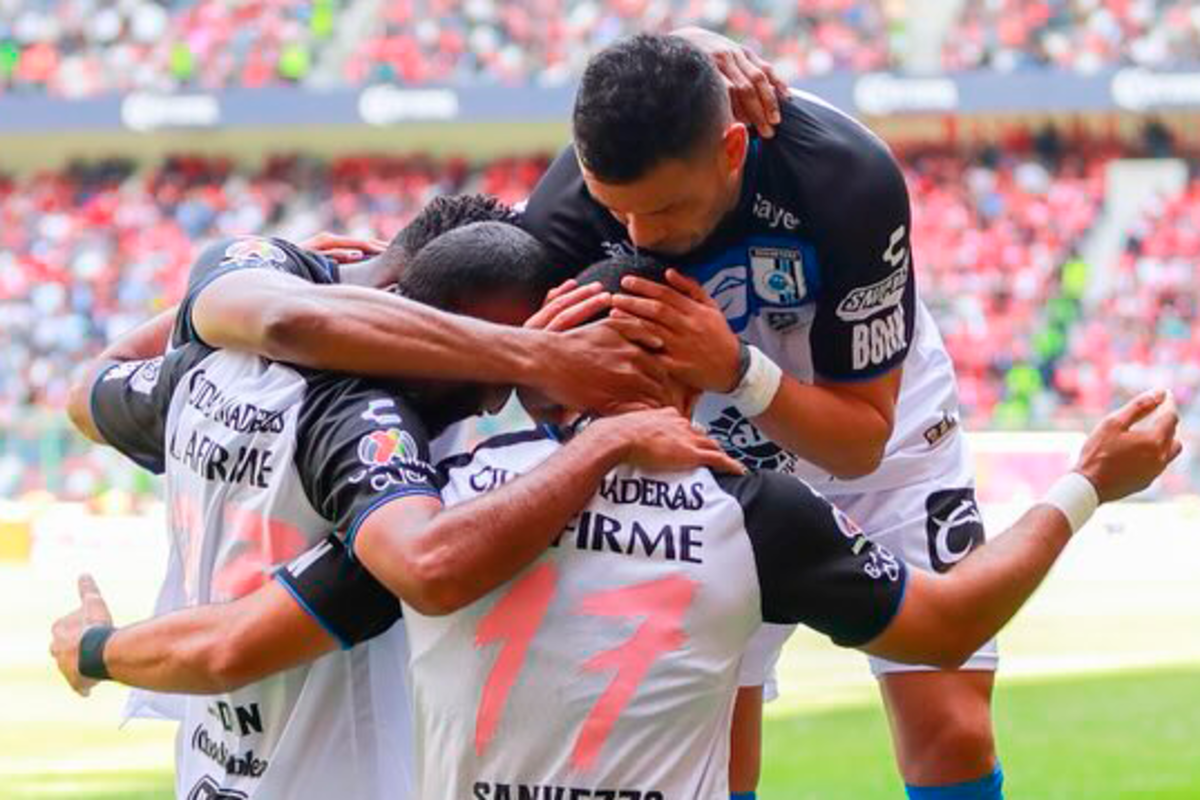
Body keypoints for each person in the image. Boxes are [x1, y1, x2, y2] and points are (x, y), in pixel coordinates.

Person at [53, 253, 1183, 800]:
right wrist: (1086, 481)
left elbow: (223, 645)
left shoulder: (442, 501)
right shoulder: (751, 509)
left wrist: (94, 649)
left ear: (546, 362)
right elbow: (951, 618)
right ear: (683, 383)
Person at [57, 220, 736, 800]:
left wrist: (227, 299)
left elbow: (90, 387)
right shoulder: (377, 455)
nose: (493, 403)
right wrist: (600, 432)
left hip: (211, 772)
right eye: (490, 372)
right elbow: (236, 642)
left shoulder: (204, 370)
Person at [514, 32, 1014, 799]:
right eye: (619, 211)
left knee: (952, 732)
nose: (640, 237)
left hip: (877, 421)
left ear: (732, 148)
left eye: (669, 206)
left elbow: (859, 446)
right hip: (708, 452)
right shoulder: (560, 217)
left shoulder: (846, 176)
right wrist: (544, 377)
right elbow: (537, 394)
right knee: (713, 748)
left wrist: (739, 371)